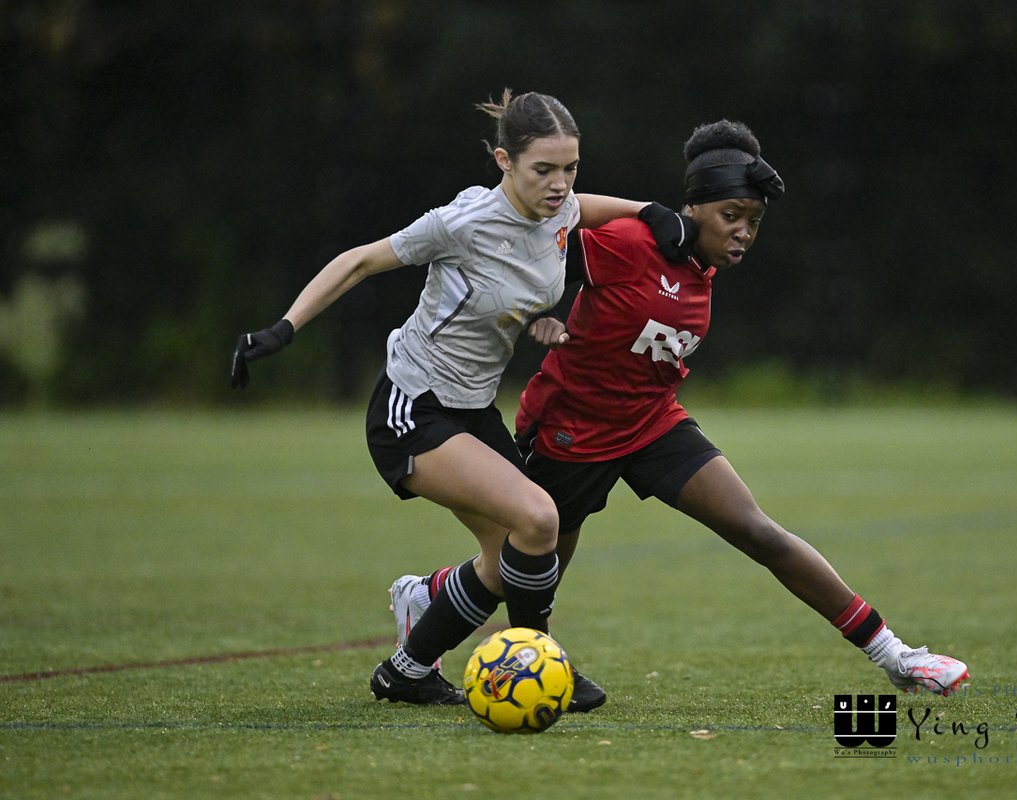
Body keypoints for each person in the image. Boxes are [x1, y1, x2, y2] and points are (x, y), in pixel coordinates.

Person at [387, 119, 969, 709]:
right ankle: (436, 609)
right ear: (692, 209)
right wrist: (541, 311)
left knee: (757, 531)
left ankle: (896, 656)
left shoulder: (701, 265)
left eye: (754, 222)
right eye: (731, 216)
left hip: (653, 423)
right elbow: (535, 242)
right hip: (571, 431)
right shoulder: (634, 242)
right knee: (520, 570)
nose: (743, 233)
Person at [229, 89, 696, 707]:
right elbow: (359, 261)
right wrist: (284, 328)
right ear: (505, 161)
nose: (560, 184)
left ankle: (407, 669)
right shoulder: (463, 221)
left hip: (473, 409)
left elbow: (582, 208)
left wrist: (650, 210)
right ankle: (538, 660)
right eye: (543, 169)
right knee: (539, 519)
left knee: (509, 558)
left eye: (571, 168)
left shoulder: (559, 210)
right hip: (412, 405)